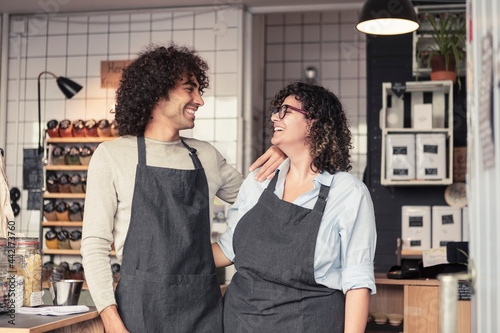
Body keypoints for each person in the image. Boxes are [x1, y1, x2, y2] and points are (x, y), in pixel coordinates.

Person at [81, 44, 284, 333]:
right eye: (190, 89)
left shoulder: (206, 156)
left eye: (199, 90)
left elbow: (263, 203)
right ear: (156, 92)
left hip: (204, 311)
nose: (200, 100)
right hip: (139, 312)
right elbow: (94, 245)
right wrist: (111, 320)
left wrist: (285, 157)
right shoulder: (112, 155)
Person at [213, 82, 377, 333]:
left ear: (314, 123)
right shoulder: (259, 181)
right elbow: (227, 251)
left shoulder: (348, 193)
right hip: (240, 324)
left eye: (285, 111)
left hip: (308, 324)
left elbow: (357, 283)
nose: (273, 117)